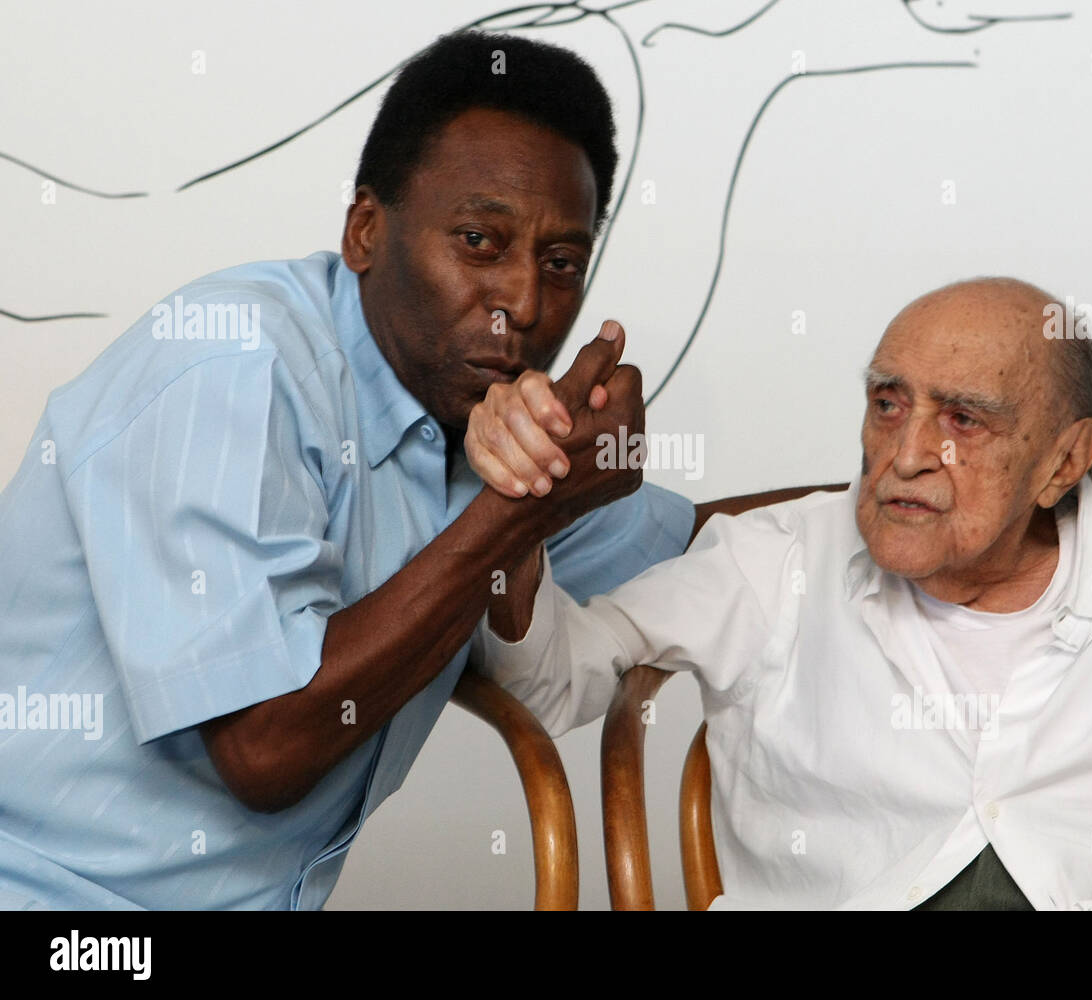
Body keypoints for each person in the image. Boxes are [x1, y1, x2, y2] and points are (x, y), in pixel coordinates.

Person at [0, 30, 676, 910]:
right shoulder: (235, 368)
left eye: (561, 264)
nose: (523, 302)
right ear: (366, 231)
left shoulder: (488, 426)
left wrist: (904, 475)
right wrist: (516, 517)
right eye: (479, 240)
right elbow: (265, 748)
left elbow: (714, 541)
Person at [476, 277, 1092, 909]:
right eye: (887, 404)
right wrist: (522, 509)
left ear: (1065, 462)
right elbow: (548, 684)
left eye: (963, 421)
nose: (905, 454)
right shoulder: (776, 560)